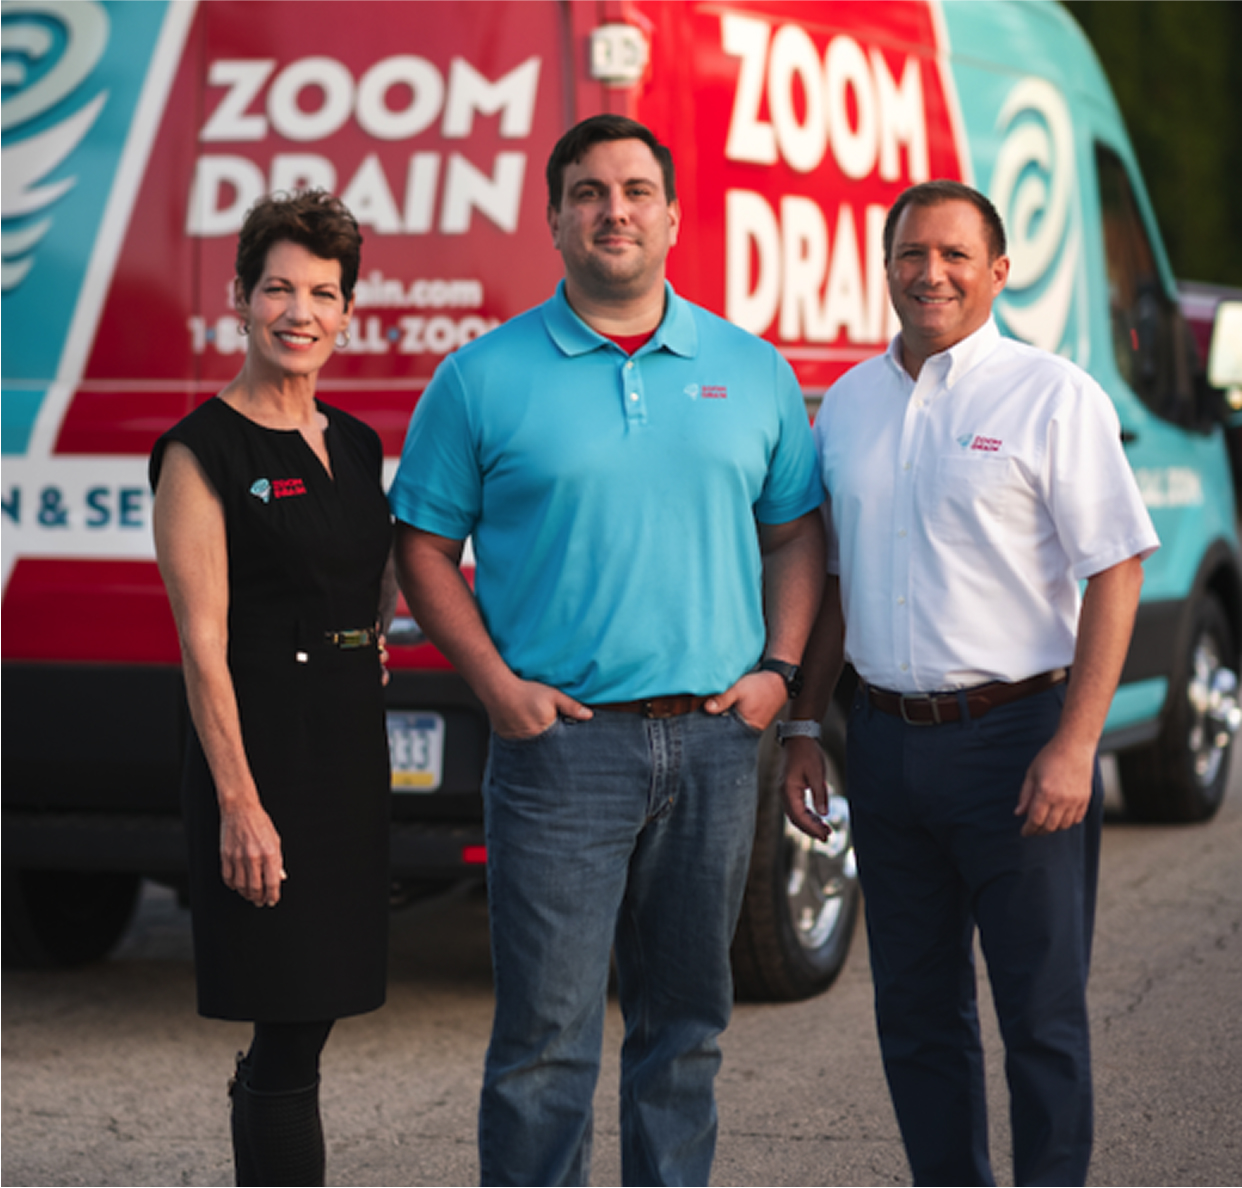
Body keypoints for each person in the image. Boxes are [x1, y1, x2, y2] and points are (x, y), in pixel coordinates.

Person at [388, 113, 825, 1187]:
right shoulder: (481, 377)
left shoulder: (750, 368)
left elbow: (796, 533)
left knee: (685, 1030)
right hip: (559, 753)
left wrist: (778, 672)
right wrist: (494, 687)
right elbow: (422, 547)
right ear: (553, 219)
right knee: (543, 1047)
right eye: (588, 192)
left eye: (635, 190)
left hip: (718, 745)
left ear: (673, 215)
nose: (613, 210)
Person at [780, 180, 1160, 1186]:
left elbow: (1116, 567)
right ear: (887, 266)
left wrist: (1074, 745)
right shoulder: (851, 403)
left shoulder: (1051, 394)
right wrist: (805, 726)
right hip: (889, 745)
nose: (930, 273)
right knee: (913, 1013)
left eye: (954, 255)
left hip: (1017, 740)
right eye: (911, 254)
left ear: (998, 271)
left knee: (1039, 1015)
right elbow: (837, 581)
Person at [150, 190, 394, 1187]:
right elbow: (201, 647)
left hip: (346, 746)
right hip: (261, 759)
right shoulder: (199, 453)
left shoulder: (360, 443)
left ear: (346, 315)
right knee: (289, 1026)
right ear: (238, 299)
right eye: (279, 288)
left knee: (316, 1012)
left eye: (322, 294)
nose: (300, 311)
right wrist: (240, 808)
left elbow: (368, 583)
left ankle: (259, 1108)